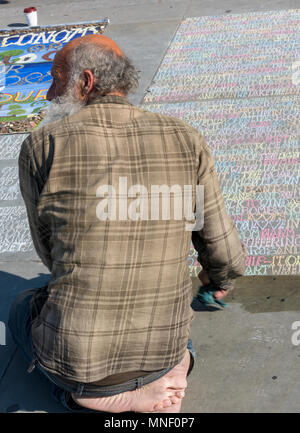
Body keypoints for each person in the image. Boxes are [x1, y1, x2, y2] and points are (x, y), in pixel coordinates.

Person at [8, 34, 247, 413]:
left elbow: (50, 254)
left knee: (22, 306)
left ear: (86, 82)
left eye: (55, 79)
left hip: (82, 361)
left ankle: (87, 397)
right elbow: (226, 254)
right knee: (173, 324)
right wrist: (218, 283)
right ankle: (169, 372)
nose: (49, 93)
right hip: (161, 349)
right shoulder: (186, 137)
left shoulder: (43, 144)